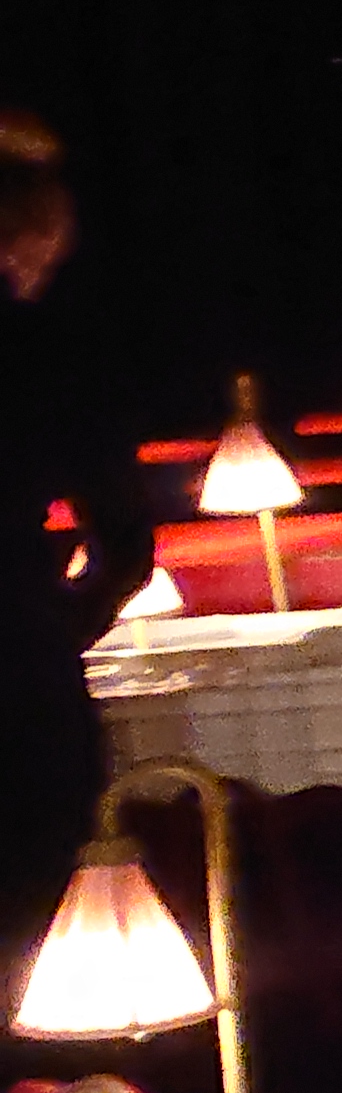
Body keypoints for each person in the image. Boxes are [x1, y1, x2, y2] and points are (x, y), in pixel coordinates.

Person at [0, 111, 157, 964]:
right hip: (17, 661)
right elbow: (125, 542)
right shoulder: (51, 349)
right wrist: (56, 626)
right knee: (33, 912)